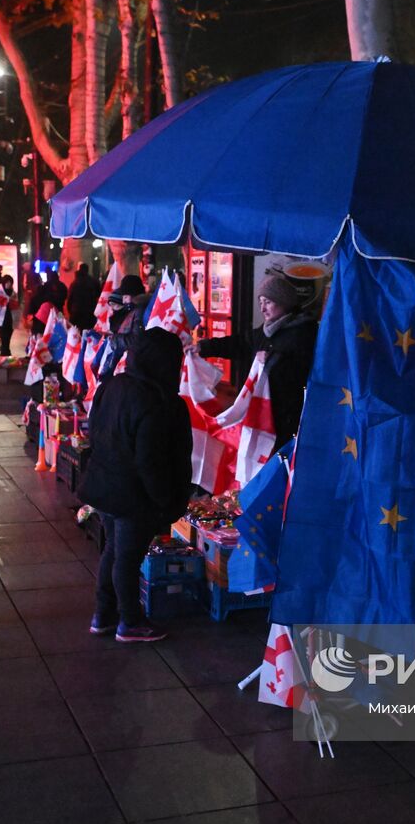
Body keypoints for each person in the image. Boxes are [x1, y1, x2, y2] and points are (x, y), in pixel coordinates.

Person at [79, 328, 192, 643]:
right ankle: (130, 621)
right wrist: (166, 502)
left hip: (104, 487)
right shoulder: (157, 401)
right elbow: (150, 462)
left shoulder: (112, 386)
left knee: (113, 552)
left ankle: (103, 615)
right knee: (127, 558)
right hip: (133, 497)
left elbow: (95, 435)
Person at [197, 272, 319, 452]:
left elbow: (302, 373)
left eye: (268, 302)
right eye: (260, 302)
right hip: (261, 415)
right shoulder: (266, 331)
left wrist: (272, 360)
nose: (262, 309)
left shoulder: (305, 333)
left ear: (284, 302)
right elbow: (239, 344)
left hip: (286, 419)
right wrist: (203, 348)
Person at [26, 271, 68, 337]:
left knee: (49, 326)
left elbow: (43, 297)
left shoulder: (47, 285)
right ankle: (59, 336)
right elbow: (65, 296)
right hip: (59, 310)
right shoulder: (62, 285)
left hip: (49, 310)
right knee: (60, 323)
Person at [66, 262, 100, 331]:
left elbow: (70, 298)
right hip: (89, 312)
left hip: (76, 312)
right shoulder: (93, 282)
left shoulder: (75, 283)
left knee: (75, 334)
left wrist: (70, 311)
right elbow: (98, 295)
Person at [0, 273, 17, 356]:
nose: (9, 284)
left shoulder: (12, 293)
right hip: (0, 319)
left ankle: (6, 353)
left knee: (7, 338)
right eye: (7, 282)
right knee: (4, 338)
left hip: (9, 318)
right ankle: (5, 354)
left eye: (10, 282)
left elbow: (16, 304)